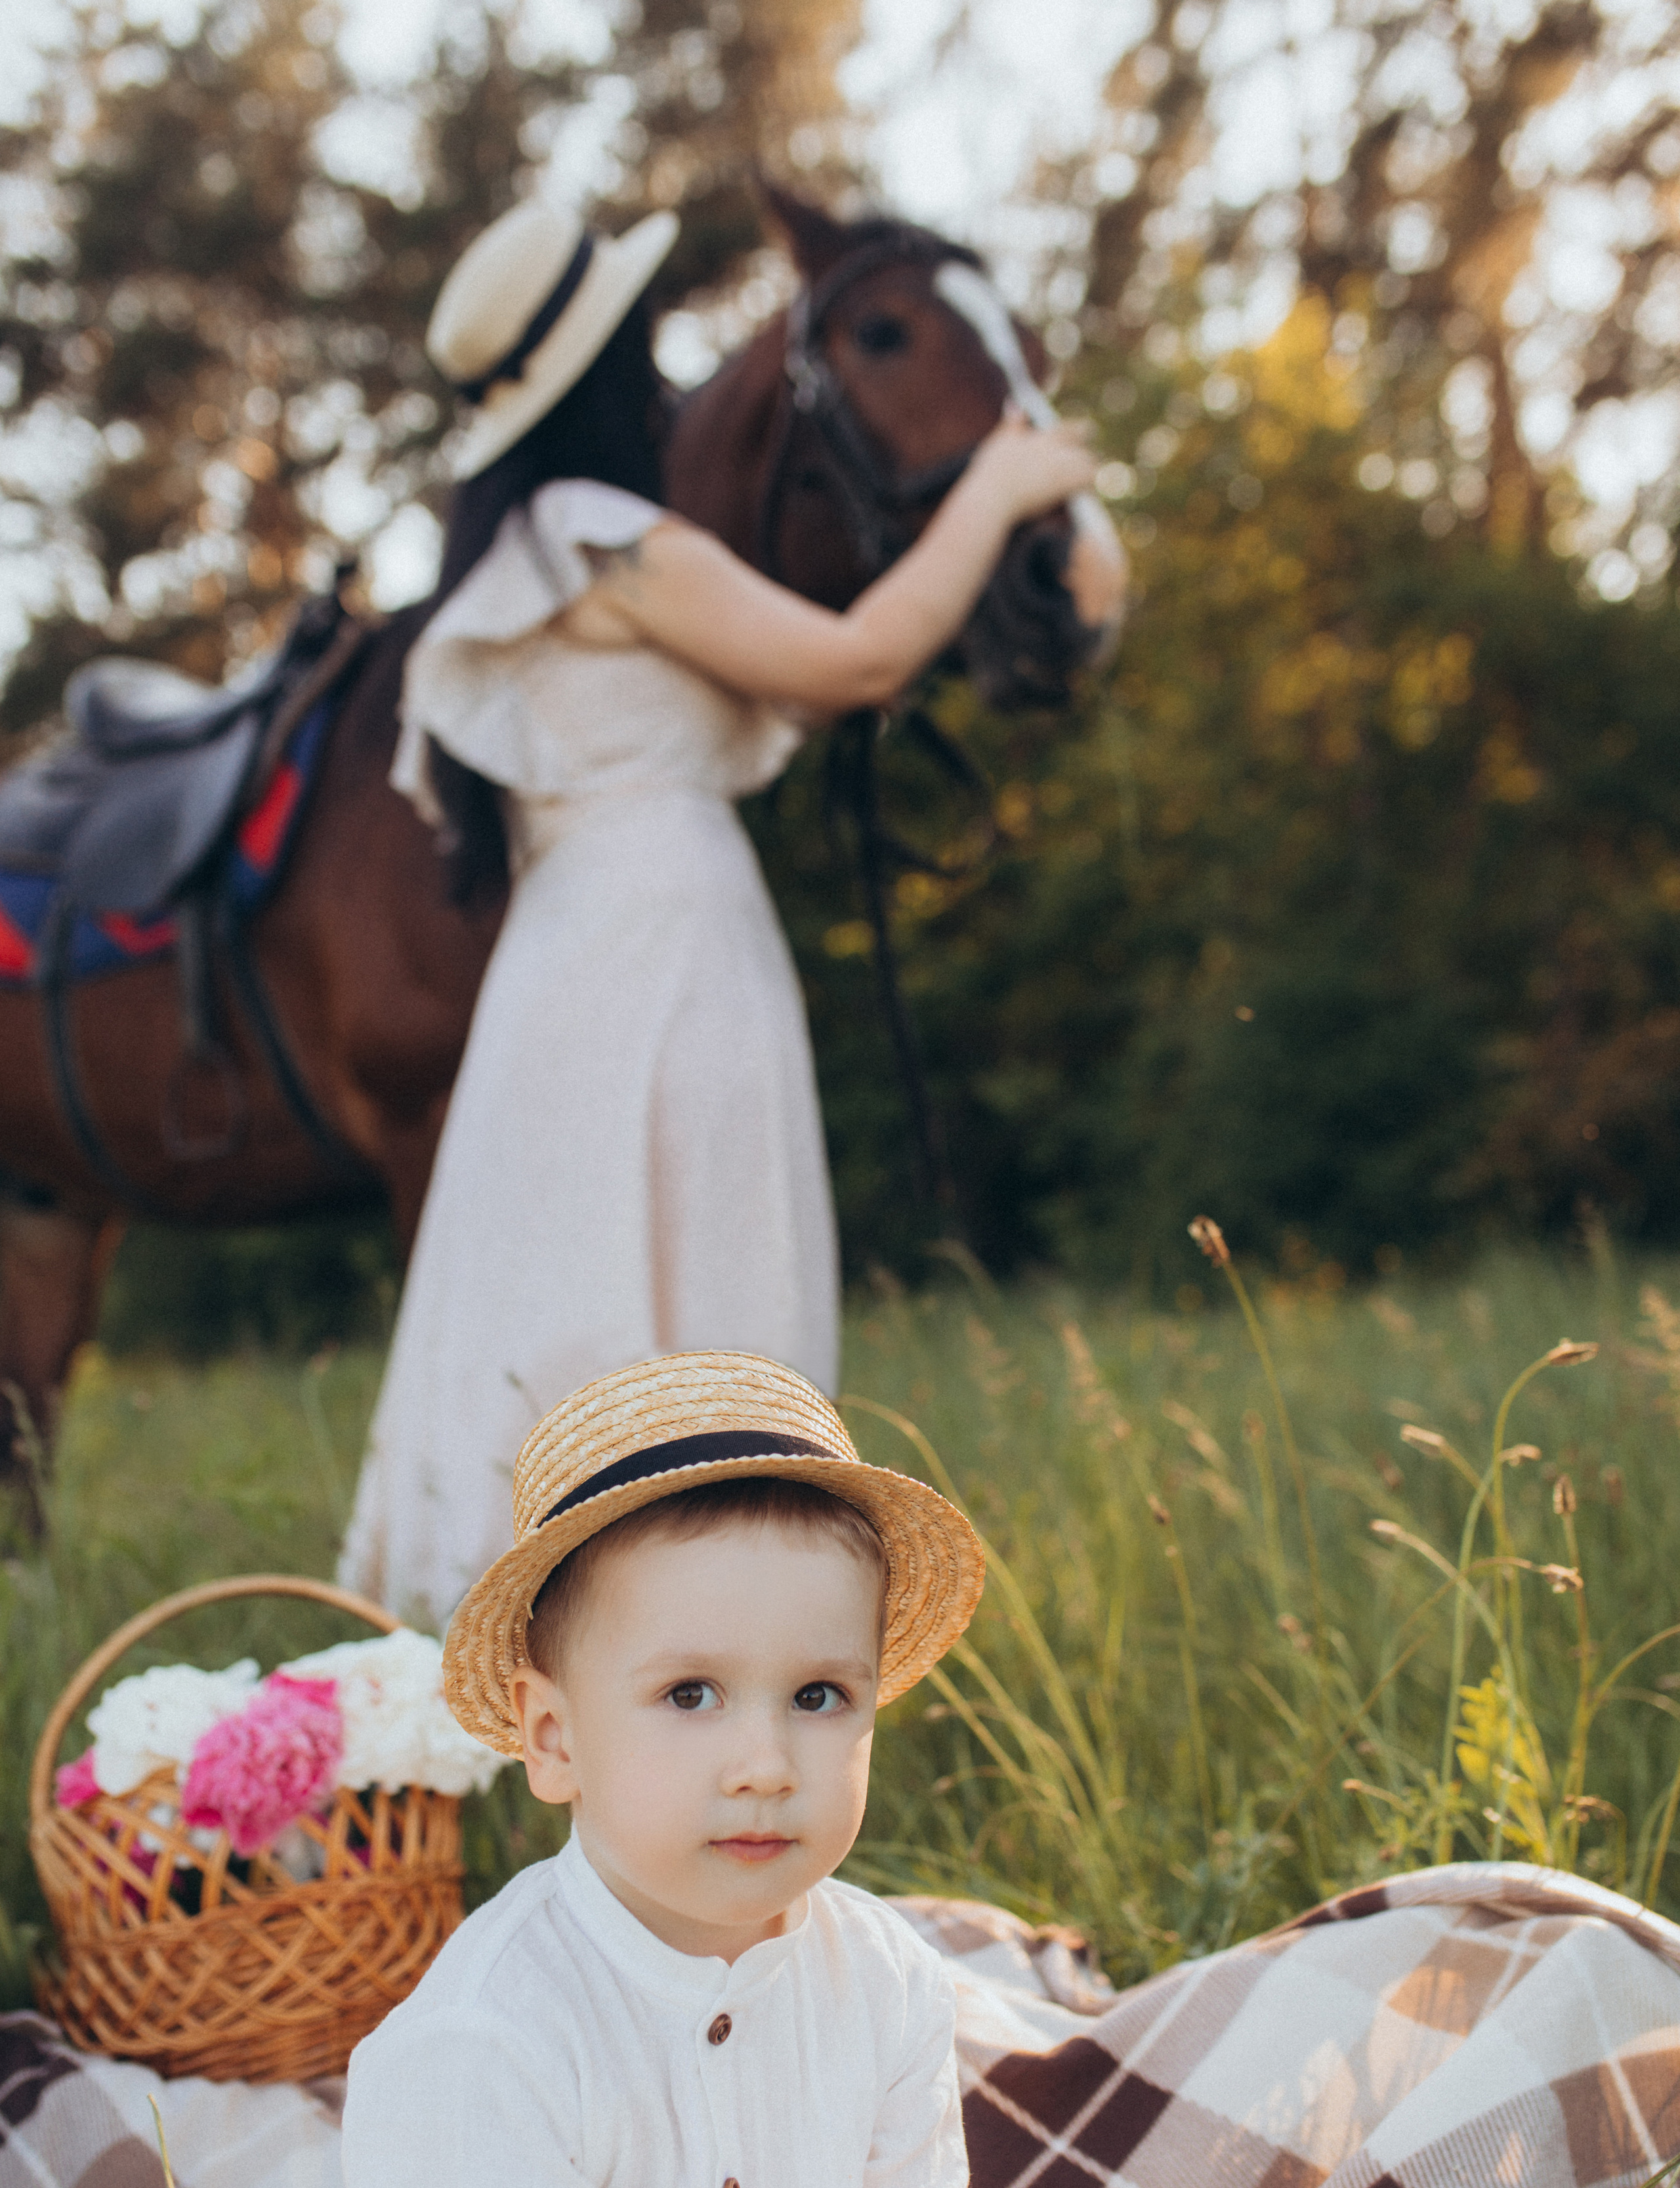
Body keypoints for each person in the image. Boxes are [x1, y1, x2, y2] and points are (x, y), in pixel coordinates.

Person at [284, 1352, 1293, 2188]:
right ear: (553, 1739)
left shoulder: (887, 1986)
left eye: (818, 1697)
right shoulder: (483, 2032)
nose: (765, 1767)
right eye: (691, 1695)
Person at [336, 191, 1121, 1630]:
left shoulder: (536, 550)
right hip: (658, 952)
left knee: (575, 1284)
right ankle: (691, 1631)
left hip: (591, 952)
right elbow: (857, 659)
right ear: (610, 371)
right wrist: (998, 489)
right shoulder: (605, 537)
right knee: (686, 1283)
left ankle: (599, 1642)